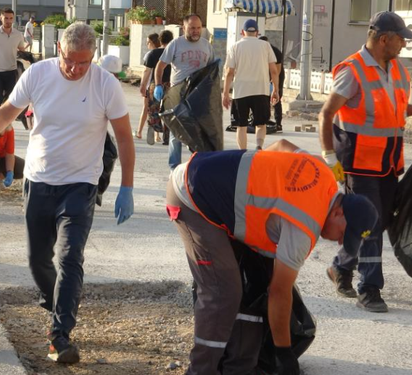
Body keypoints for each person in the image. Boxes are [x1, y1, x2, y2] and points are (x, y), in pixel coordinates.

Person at [0, 23, 135, 364]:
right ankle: (59, 300)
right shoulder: (38, 75)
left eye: (84, 62)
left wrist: (127, 187)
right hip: (39, 181)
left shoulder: (106, 84)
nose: (76, 69)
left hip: (81, 184)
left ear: (93, 58)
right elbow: (6, 113)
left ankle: (59, 335)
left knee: (70, 257)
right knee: (37, 260)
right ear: (58, 49)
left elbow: (123, 137)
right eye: (70, 60)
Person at [166, 139, 379, 375]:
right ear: (339, 211)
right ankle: (201, 370)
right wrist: (283, 352)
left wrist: (256, 187)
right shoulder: (305, 226)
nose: (340, 241)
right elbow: (280, 293)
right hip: (191, 195)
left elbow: (281, 145)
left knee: (255, 283)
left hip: (210, 176)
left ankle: (238, 367)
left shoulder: (321, 171)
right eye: (344, 233)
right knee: (223, 291)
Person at [319, 11, 412, 313]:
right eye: (401, 39)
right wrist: (329, 157)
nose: (404, 45)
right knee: (370, 223)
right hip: (357, 163)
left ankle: (340, 267)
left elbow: (393, 110)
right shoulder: (353, 70)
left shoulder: (398, 70)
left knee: (377, 222)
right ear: (384, 38)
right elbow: (326, 114)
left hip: (387, 161)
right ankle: (369, 288)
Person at [154, 14, 214, 171]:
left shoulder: (207, 46)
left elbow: (213, 70)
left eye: (199, 28)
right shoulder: (175, 44)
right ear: (184, 28)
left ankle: (196, 167)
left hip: (199, 96)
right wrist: (158, 85)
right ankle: (174, 168)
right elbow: (160, 66)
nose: (196, 31)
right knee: (176, 134)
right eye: (192, 28)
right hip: (179, 94)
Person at [222, 19, 279, 151]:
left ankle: (243, 152)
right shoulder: (265, 45)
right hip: (261, 90)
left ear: (243, 32)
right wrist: (275, 89)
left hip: (241, 91)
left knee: (241, 125)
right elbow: (274, 71)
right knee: (261, 123)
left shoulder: (235, 47)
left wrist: (225, 93)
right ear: (257, 32)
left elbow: (229, 72)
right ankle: (259, 146)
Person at [138, 31, 173, 144]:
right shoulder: (174, 53)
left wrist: (143, 85)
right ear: (171, 40)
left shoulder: (153, 53)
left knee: (153, 108)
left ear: (160, 40)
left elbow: (147, 71)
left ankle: (153, 126)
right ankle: (167, 137)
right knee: (169, 110)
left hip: (156, 83)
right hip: (171, 84)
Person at [135, 33, 160, 141]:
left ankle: (139, 131)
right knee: (158, 108)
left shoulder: (150, 54)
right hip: (161, 84)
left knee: (146, 108)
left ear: (153, 43)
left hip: (150, 84)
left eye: (148, 42)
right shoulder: (164, 53)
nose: (147, 44)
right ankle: (157, 135)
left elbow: (146, 71)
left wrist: (142, 85)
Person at [259, 35, 285, 132]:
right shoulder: (259, 51)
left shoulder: (276, 52)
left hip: (277, 76)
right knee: (264, 99)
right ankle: (266, 120)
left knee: (276, 99)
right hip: (265, 76)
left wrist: (274, 83)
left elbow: (277, 71)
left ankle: (278, 123)